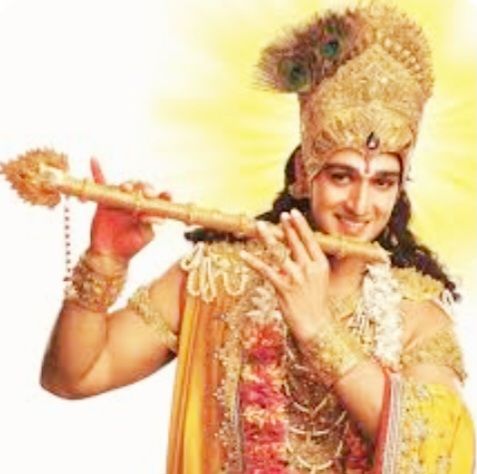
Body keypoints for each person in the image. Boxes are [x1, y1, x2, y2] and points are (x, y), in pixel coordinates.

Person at [40, 4, 474, 473]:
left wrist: (319, 331)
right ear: (304, 175)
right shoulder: (217, 279)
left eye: (383, 182)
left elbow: (439, 457)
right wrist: (105, 257)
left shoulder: (417, 314)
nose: (361, 204)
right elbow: (74, 375)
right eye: (341, 176)